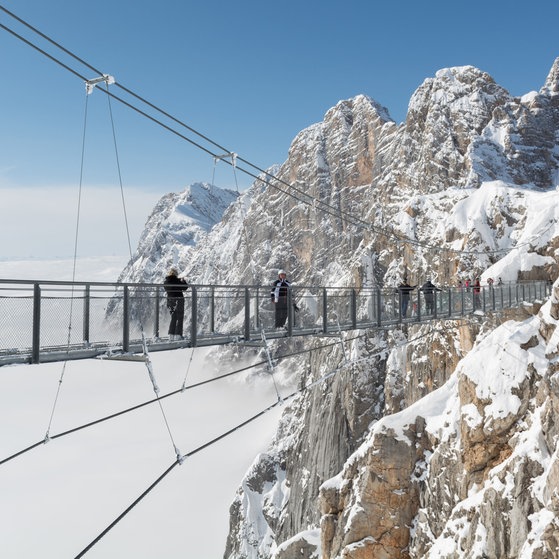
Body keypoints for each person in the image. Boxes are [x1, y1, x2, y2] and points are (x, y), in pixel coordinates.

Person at [164, 267, 189, 340]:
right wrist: (183, 281)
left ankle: (171, 335)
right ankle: (178, 335)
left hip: (170, 301)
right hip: (179, 300)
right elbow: (185, 287)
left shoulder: (166, 282)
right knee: (179, 317)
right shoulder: (177, 281)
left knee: (173, 317)